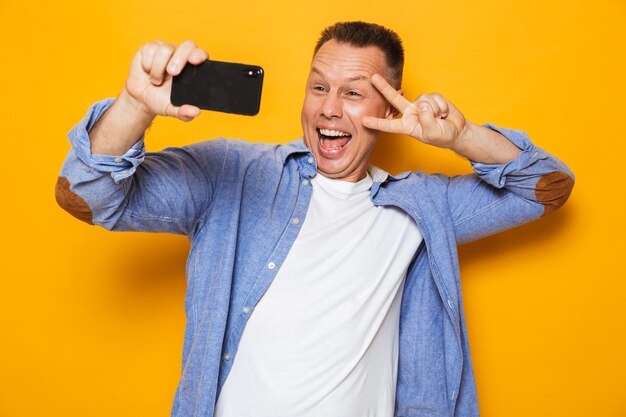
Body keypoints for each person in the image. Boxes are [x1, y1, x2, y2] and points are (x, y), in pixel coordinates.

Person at [56, 21, 574, 417]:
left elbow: (546, 188)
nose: (329, 109)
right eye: (318, 87)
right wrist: (133, 106)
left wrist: (462, 138)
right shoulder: (233, 173)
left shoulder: (422, 206)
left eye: (353, 93)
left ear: (390, 109)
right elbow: (86, 195)